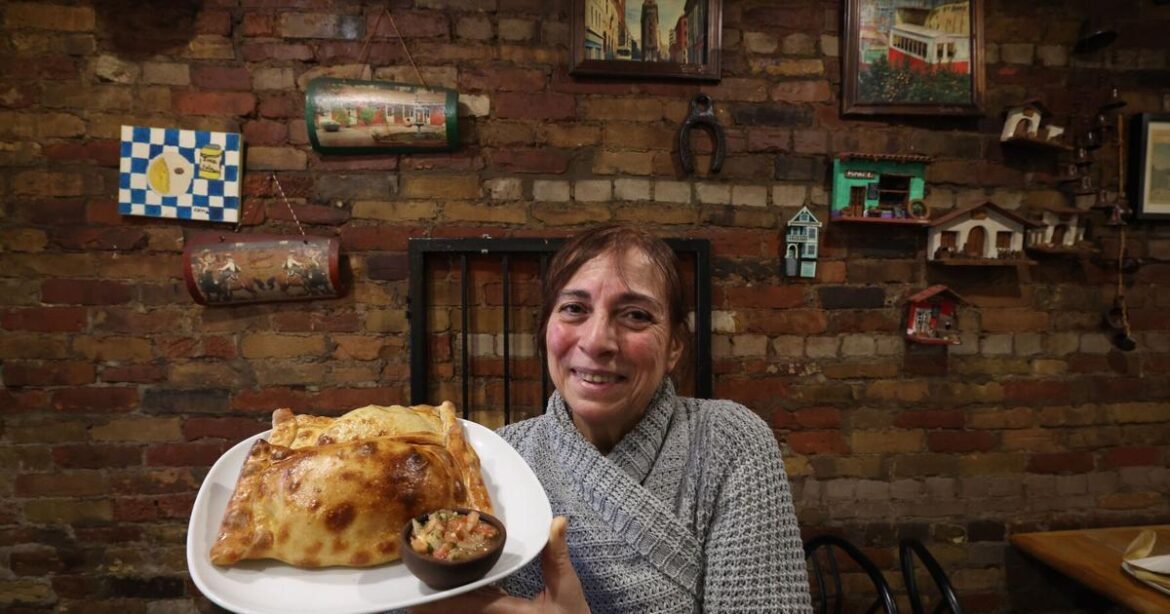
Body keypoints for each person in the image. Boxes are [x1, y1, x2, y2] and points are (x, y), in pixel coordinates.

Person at [415, 225, 811, 613]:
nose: (596, 341)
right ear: (546, 329)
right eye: (574, 309)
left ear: (674, 345)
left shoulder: (731, 442)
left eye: (636, 315)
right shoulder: (496, 460)